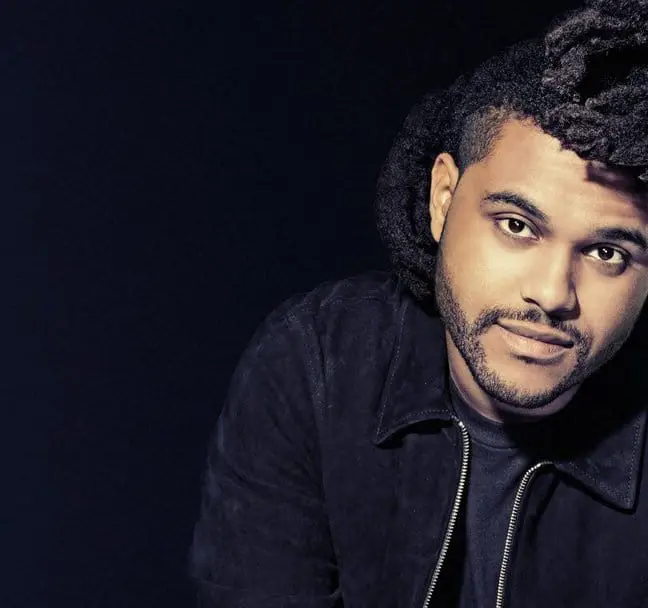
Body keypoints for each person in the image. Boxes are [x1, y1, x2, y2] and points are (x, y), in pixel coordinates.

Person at [190, 1, 648, 605]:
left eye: (608, 253)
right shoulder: (318, 366)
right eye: (516, 225)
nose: (552, 293)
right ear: (442, 199)